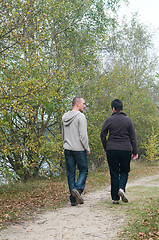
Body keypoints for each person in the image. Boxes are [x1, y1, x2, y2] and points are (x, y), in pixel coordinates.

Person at [100, 99, 138, 204]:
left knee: (114, 173)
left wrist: (106, 147)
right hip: (126, 149)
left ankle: (115, 198)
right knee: (125, 171)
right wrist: (135, 151)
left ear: (113, 108)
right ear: (121, 108)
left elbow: (102, 135)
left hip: (112, 149)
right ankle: (121, 188)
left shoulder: (109, 120)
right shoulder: (128, 120)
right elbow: (133, 137)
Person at [62, 97, 90, 206]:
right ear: (77, 104)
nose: (85, 105)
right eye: (83, 103)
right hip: (79, 149)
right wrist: (87, 148)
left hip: (67, 148)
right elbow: (83, 136)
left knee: (71, 173)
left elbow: (63, 133)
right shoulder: (80, 117)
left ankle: (73, 200)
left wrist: (65, 144)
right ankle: (77, 189)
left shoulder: (64, 116)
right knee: (84, 170)